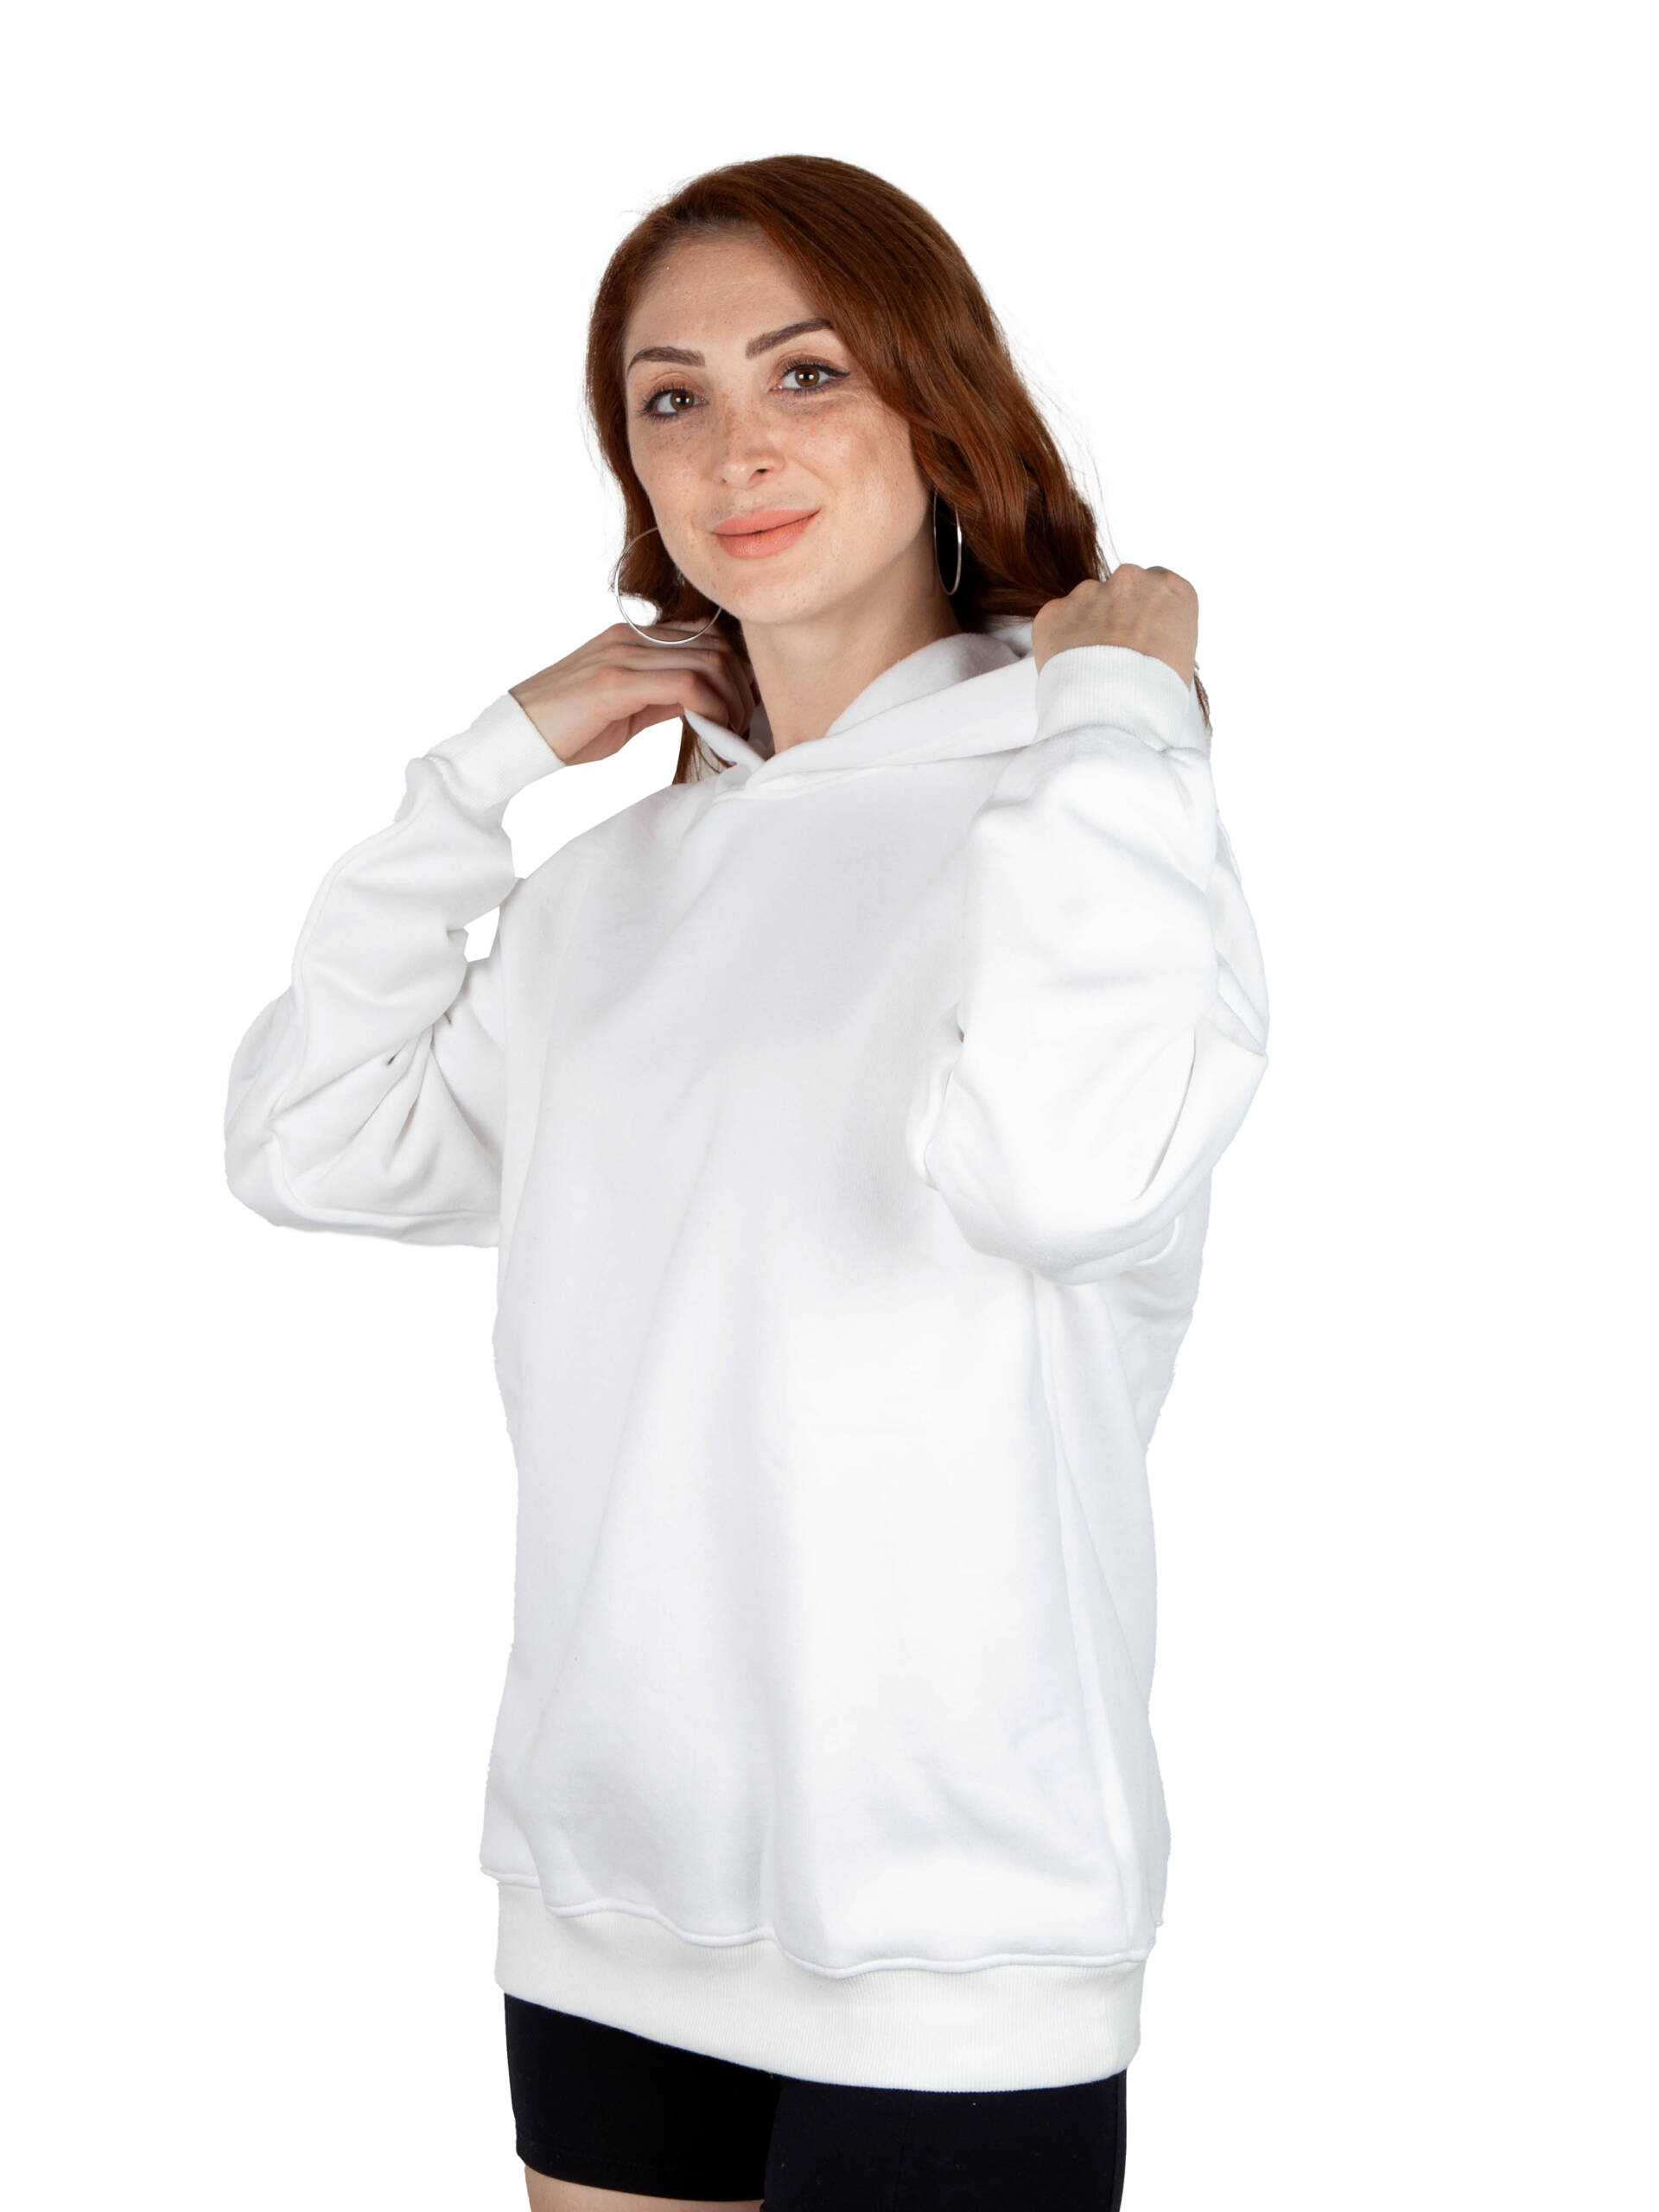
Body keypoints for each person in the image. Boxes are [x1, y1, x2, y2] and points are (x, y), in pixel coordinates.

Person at [224, 153, 1270, 2212]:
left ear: (939, 403)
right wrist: (476, 777)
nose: (736, 450)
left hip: (954, 1911)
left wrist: (1116, 714)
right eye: (671, 398)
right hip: (610, 1879)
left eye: (807, 373)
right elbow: (309, 1138)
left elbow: (1067, 1178)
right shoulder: (613, 889)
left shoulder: (1087, 808)